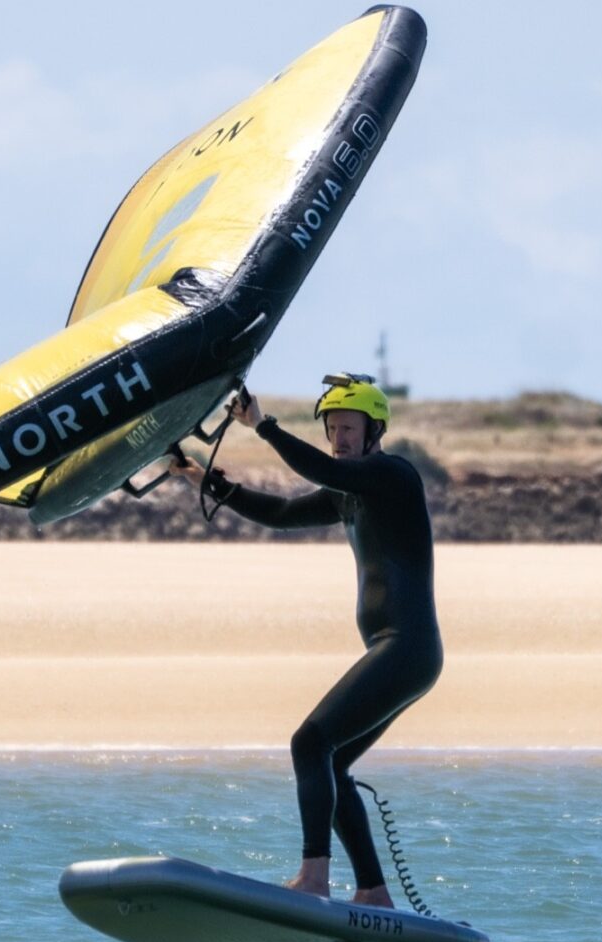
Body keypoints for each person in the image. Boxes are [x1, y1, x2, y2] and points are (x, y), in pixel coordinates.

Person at [169, 374, 442, 906]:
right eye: (332, 428)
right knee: (330, 760)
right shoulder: (350, 494)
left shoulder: (391, 475)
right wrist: (206, 480)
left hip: (406, 646)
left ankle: (314, 876)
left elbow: (318, 469)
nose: (338, 438)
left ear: (374, 430)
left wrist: (263, 426)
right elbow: (281, 513)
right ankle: (374, 894)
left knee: (309, 742)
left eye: (348, 428)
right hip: (401, 650)